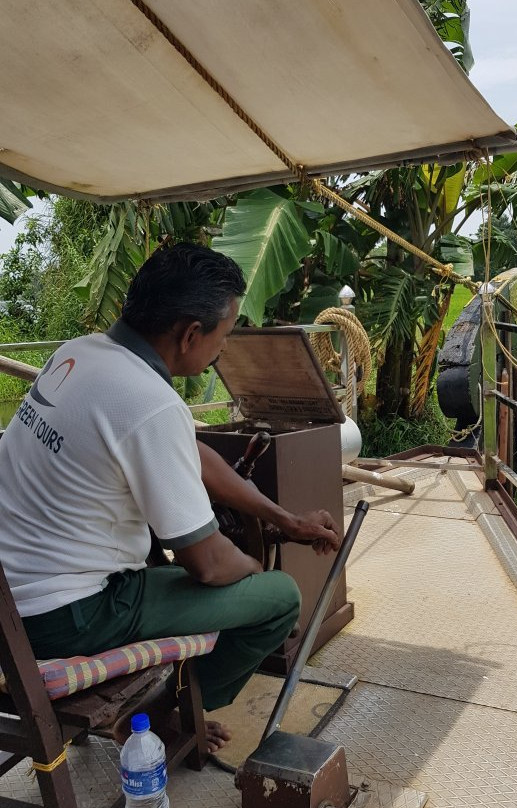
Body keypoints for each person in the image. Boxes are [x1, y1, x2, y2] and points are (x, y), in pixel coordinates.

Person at [0, 242, 341, 751]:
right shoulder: (148, 402)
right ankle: (168, 716)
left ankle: (170, 701)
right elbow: (206, 564)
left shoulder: (79, 352)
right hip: (65, 619)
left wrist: (281, 518)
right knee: (278, 600)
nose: (221, 349)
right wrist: (251, 571)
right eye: (223, 336)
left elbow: (189, 450)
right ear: (189, 335)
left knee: (177, 564)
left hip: (13, 597)